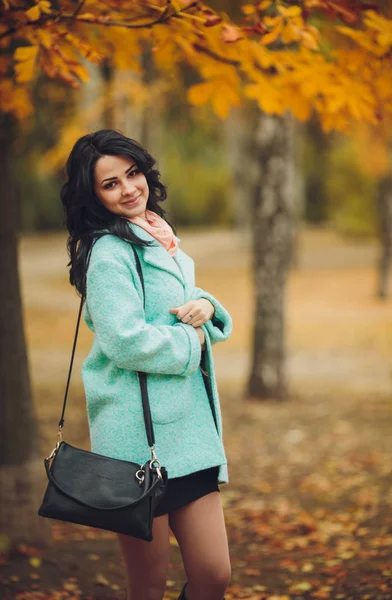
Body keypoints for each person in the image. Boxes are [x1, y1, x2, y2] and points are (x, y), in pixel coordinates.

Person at [61, 129, 233, 600]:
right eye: (110, 184)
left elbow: (176, 305)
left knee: (214, 574)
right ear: (93, 197)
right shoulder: (108, 253)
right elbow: (123, 339)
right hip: (138, 444)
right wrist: (192, 342)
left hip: (189, 435)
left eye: (132, 173)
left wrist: (206, 309)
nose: (128, 188)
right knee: (148, 587)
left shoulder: (159, 235)